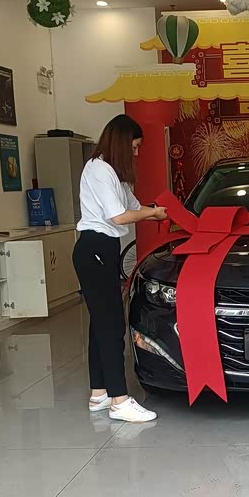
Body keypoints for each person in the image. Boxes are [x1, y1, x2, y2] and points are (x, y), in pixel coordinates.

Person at [73, 114, 167, 423]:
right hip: (95, 248)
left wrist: (157, 212)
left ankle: (99, 393)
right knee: (112, 326)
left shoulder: (115, 173)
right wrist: (150, 214)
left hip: (105, 249)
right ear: (122, 143)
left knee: (100, 324)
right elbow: (118, 216)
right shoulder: (99, 169)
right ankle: (120, 400)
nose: (137, 153)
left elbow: (133, 206)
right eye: (135, 147)